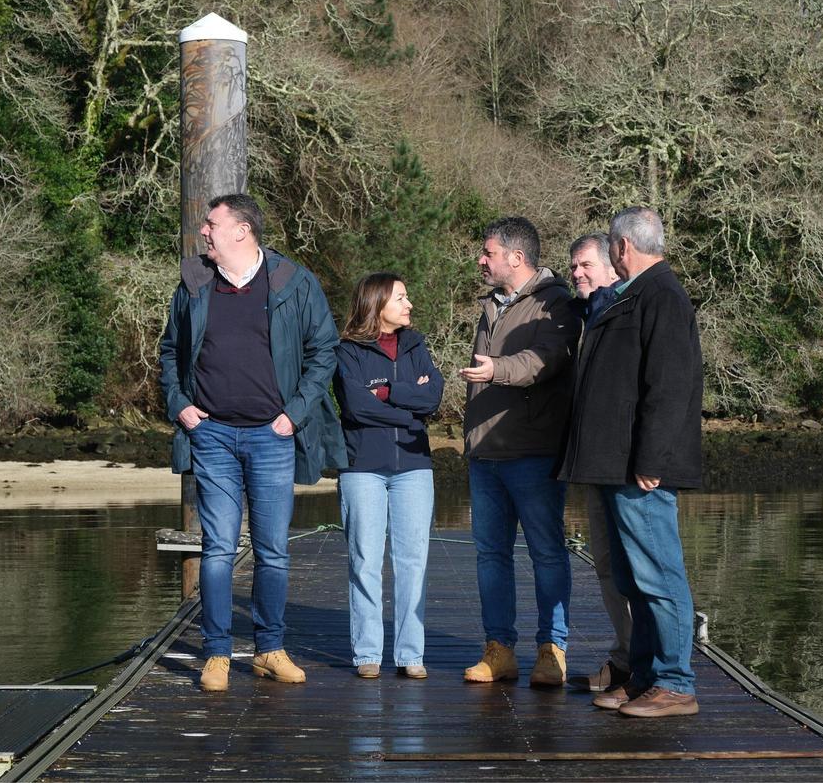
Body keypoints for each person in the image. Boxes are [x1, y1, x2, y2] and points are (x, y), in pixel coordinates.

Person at [159, 193, 347, 693]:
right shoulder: (194, 283)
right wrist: (180, 405)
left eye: (212, 224)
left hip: (272, 435)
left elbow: (323, 351)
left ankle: (269, 650)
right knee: (218, 549)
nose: (204, 231)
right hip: (211, 435)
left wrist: (295, 414)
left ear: (242, 231)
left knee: (273, 551)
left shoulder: (293, 281)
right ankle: (216, 654)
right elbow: (170, 351)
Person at [557, 206, 704, 718]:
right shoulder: (631, 294)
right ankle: (643, 678)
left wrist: (651, 459)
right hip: (612, 465)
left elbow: (669, 386)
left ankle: (675, 683)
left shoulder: (662, 295)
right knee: (633, 579)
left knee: (659, 577)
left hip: (639, 469)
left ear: (621, 247)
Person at [458, 216, 581, 687]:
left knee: (547, 553)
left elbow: (547, 360)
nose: (481, 260)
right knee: (491, 555)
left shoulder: (556, 303)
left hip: (533, 452)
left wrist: (498, 370)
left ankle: (552, 650)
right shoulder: (492, 303)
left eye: (488, 252)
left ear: (516, 257)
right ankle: (499, 650)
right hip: (485, 454)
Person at [333, 273, 444, 681]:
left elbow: (432, 396)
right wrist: (408, 407)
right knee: (365, 560)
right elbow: (356, 406)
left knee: (413, 561)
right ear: (377, 303)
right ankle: (367, 653)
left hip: (414, 465)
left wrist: (386, 391)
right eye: (400, 297)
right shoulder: (347, 350)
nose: (409, 304)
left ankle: (411, 655)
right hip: (362, 466)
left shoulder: (416, 345)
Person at [566, 232, 633, 693]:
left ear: (612, 267)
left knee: (634, 569)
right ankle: (624, 658)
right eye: (573, 266)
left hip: (625, 464)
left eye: (586, 265)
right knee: (606, 566)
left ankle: (645, 666)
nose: (577, 273)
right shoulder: (583, 315)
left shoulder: (626, 311)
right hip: (593, 462)